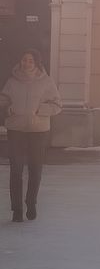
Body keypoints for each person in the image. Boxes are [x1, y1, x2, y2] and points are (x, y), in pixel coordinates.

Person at [0, 48, 62, 222]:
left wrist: (40, 110)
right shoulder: (12, 81)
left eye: (30, 60)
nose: (26, 63)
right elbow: (3, 100)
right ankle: (17, 209)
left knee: (35, 169)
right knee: (16, 170)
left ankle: (31, 202)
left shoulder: (46, 82)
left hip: (38, 130)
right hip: (16, 129)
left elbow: (57, 105)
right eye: (24, 60)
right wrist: (7, 108)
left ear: (36, 63)